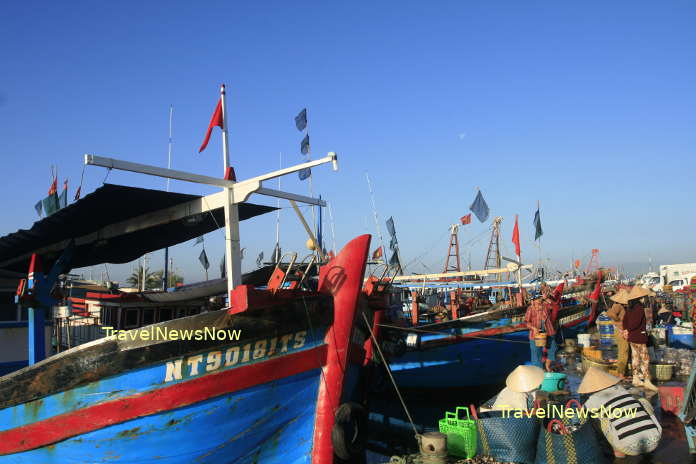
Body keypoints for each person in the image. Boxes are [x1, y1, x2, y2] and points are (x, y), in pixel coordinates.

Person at [579, 367, 661, 458]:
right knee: (642, 401)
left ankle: (617, 451)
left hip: (626, 447)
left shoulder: (592, 400)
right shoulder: (621, 389)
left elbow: (581, 416)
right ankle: (646, 437)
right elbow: (635, 393)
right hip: (655, 440)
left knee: (598, 417)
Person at [622, 286, 658, 391]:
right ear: (639, 298)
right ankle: (647, 380)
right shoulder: (639, 308)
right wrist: (628, 329)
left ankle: (635, 378)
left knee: (635, 358)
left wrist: (626, 330)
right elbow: (636, 323)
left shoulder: (629, 308)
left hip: (632, 338)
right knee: (645, 359)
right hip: (639, 337)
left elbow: (625, 321)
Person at [524, 295, 556, 370]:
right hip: (535, 335)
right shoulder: (530, 308)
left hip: (549, 332)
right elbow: (526, 322)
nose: (538, 300)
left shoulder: (546, 305)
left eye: (539, 298)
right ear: (533, 300)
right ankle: (539, 373)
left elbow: (554, 305)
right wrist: (533, 328)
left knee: (553, 349)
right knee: (536, 355)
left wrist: (546, 298)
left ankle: (547, 365)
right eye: (536, 298)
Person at [606, 288, 630, 378]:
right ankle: (621, 373)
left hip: (622, 330)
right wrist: (618, 320)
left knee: (623, 351)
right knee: (623, 351)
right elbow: (610, 314)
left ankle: (622, 371)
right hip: (620, 330)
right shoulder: (618, 305)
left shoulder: (620, 305)